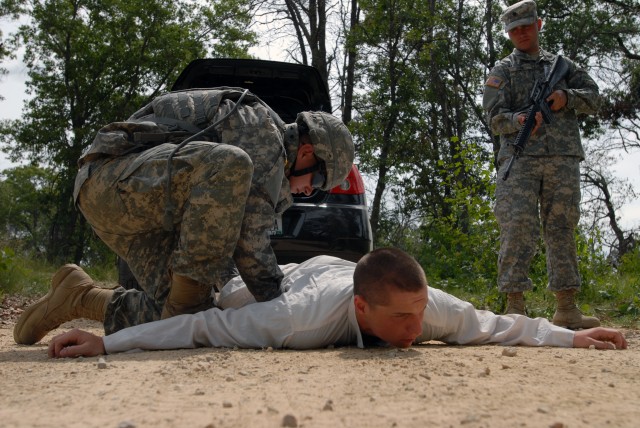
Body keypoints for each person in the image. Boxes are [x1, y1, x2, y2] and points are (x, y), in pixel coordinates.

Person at [13, 87, 354, 345]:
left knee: (184, 318)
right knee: (230, 163)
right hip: (110, 182)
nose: (312, 191)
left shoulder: (269, 164)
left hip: (141, 210)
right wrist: (285, 307)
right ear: (307, 152)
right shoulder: (262, 131)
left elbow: (224, 238)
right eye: (320, 180)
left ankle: (78, 298)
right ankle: (186, 298)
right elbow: (250, 244)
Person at [28, 248, 625, 358]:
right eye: (400, 320)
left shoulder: (420, 305)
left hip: (338, 270)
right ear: (362, 311)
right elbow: (204, 329)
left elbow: (492, 324)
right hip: (282, 283)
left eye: (419, 315)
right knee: (182, 313)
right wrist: (108, 343)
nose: (419, 329)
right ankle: (86, 296)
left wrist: (570, 336)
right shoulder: (297, 321)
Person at [482, 0, 601, 328]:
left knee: (562, 227)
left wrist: (567, 98)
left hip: (562, 158)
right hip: (519, 160)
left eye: (526, 26)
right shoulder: (502, 71)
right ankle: (515, 307)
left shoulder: (565, 66)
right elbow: (493, 118)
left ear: (539, 25)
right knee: (517, 225)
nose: (520, 33)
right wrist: (518, 119)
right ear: (508, 34)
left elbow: (595, 97)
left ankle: (566, 308)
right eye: (513, 29)